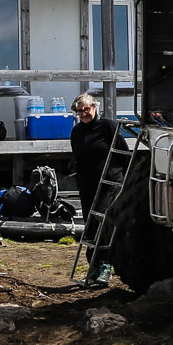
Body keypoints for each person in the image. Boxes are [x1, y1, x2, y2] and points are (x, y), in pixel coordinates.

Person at [69, 93, 118, 285]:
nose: (83, 113)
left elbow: (122, 152)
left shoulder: (107, 126)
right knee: (89, 225)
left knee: (101, 222)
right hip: (86, 183)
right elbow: (78, 154)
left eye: (86, 109)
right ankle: (93, 266)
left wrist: (120, 177)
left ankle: (106, 266)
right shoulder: (77, 131)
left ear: (94, 107)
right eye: (80, 111)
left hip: (108, 182)